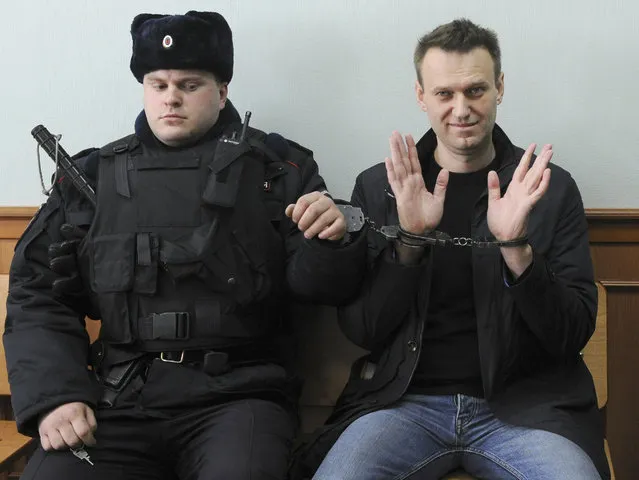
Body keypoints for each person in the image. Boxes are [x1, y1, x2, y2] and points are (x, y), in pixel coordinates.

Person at [3, 11, 366, 480]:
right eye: (158, 84)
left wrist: (332, 239)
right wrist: (56, 395)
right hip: (121, 396)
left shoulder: (278, 169)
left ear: (223, 90)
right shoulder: (92, 176)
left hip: (239, 397)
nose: (171, 98)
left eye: (190, 85)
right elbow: (36, 291)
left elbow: (321, 287)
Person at [292, 18, 609, 480]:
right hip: (403, 404)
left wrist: (516, 247)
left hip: (527, 409)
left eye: (476, 90)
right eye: (444, 94)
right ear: (421, 96)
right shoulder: (381, 187)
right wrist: (411, 241)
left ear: (500, 88)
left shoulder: (548, 189)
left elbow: (571, 333)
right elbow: (364, 330)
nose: (461, 109)